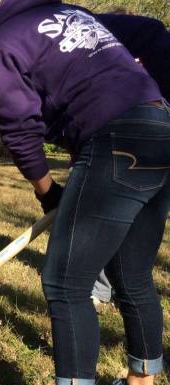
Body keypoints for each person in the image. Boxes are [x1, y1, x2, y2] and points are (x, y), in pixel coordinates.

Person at [0, 1, 169, 385]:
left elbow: (19, 131)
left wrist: (47, 192)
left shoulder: (0, 45)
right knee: (130, 273)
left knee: (66, 282)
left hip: (113, 138)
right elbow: (150, 33)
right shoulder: (63, 12)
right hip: (159, 130)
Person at [88, 11, 170, 307]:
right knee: (95, 216)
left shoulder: (150, 50)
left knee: (133, 228)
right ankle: (102, 288)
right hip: (104, 140)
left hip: (145, 143)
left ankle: (125, 288)